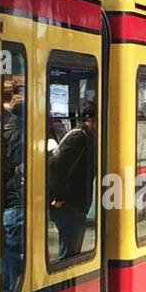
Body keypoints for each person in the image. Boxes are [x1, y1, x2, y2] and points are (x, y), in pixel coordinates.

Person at [47, 98, 97, 259]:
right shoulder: (78, 137)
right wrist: (59, 197)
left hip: (76, 204)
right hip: (69, 205)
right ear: (90, 118)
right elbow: (56, 166)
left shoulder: (85, 136)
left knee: (72, 249)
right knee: (69, 253)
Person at [0, 74, 26, 292]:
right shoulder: (21, 134)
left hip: (8, 200)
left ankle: (7, 289)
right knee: (16, 252)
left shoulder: (5, 129)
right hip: (18, 200)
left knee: (9, 249)